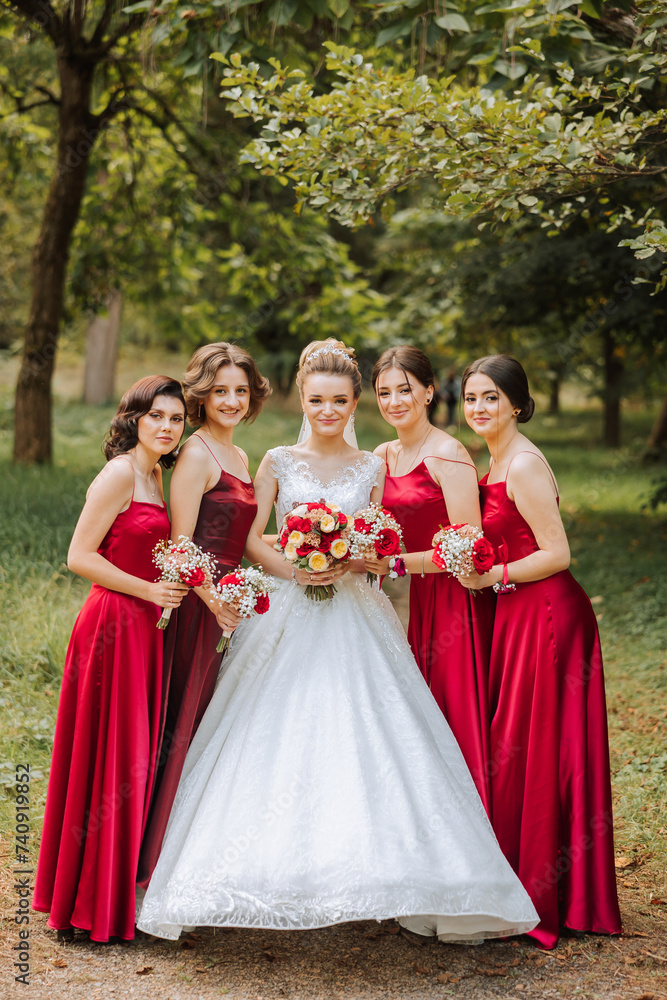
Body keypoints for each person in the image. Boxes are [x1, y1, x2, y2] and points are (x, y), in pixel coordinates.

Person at [136, 339, 538, 943]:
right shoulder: (274, 460)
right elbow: (251, 538)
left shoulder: (371, 465)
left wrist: (358, 557)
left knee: (374, 731)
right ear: (302, 398)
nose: (329, 410)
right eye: (318, 399)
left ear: (355, 404)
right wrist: (297, 568)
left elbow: (379, 541)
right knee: (268, 731)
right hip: (288, 607)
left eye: (341, 401)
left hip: (357, 611)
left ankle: (392, 869)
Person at [459, 354, 622, 949]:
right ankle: (533, 885)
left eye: (491, 398)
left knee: (540, 746)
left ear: (517, 404)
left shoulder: (523, 464)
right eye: (472, 397)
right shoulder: (495, 457)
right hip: (519, 610)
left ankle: (546, 895)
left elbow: (558, 552)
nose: (479, 408)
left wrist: (492, 574)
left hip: (549, 613)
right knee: (522, 743)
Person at [33, 376, 188, 943]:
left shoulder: (155, 474)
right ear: (134, 419)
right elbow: (78, 555)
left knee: (128, 760)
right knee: (105, 758)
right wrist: (148, 592)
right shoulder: (122, 472)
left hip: (144, 631)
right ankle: (82, 904)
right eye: (157, 417)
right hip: (111, 625)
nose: (168, 427)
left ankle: (104, 893)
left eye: (176, 419)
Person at [137, 344, 271, 887]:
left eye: (240, 390)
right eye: (220, 391)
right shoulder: (196, 454)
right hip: (199, 606)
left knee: (218, 726)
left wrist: (307, 567)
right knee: (188, 722)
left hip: (232, 601)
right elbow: (180, 544)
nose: (232, 400)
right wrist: (212, 597)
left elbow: (247, 539)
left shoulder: (237, 456)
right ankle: (157, 866)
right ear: (201, 395)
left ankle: (200, 856)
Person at [367, 346, 494, 813]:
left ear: (428, 391)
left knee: (454, 708)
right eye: (384, 392)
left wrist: (398, 564)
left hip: (457, 599)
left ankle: (476, 819)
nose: (394, 400)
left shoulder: (448, 454)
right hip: (419, 599)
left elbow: (468, 550)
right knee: (424, 712)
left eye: (405, 389)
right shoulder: (382, 454)